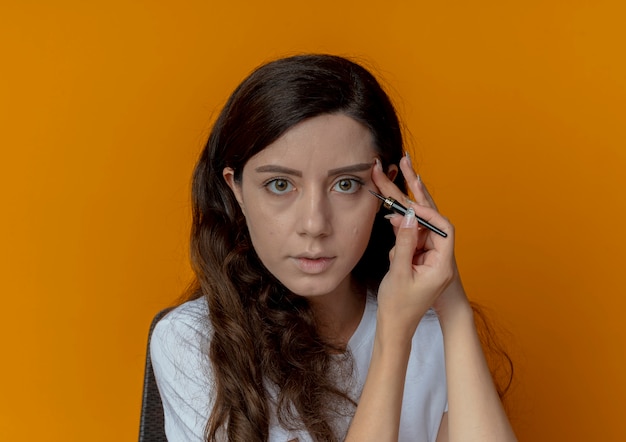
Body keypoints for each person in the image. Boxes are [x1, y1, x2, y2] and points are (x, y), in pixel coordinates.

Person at [150, 54, 517, 442]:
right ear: (236, 188)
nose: (314, 225)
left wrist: (453, 306)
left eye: (345, 184)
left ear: (384, 191)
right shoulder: (193, 341)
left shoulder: (429, 331)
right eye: (279, 184)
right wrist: (392, 341)